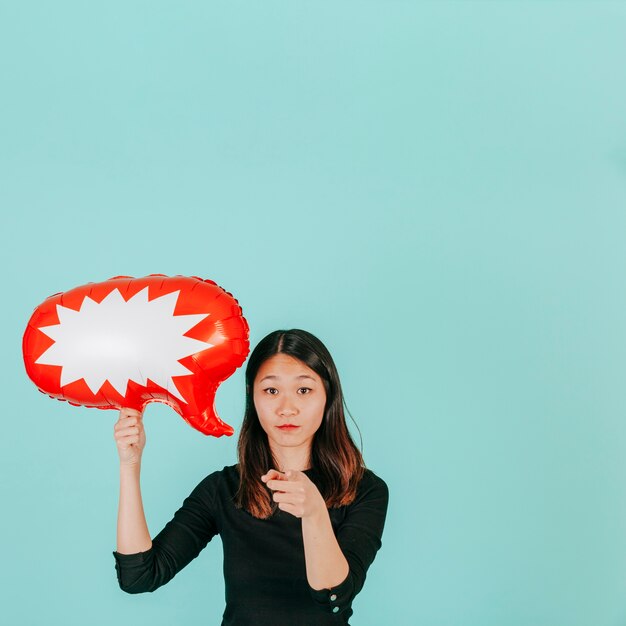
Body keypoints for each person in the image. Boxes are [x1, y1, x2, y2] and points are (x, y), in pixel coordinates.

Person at [112, 329, 389, 626]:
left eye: (304, 390)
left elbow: (335, 597)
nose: (286, 408)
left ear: (328, 396)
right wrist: (130, 465)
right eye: (271, 390)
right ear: (251, 397)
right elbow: (139, 576)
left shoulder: (364, 490)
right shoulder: (224, 489)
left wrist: (314, 513)